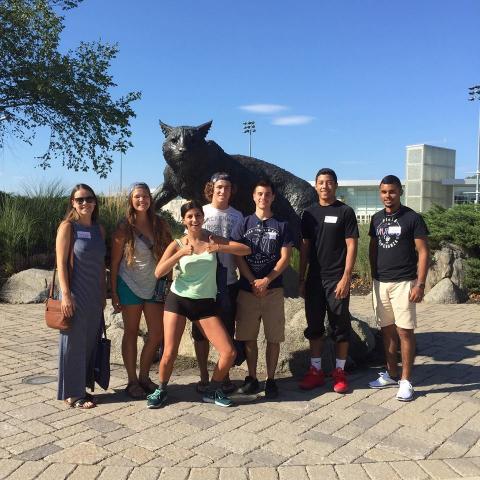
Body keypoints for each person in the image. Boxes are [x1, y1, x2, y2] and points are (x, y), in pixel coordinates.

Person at [146, 201, 251, 409]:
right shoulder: (177, 243)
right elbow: (158, 272)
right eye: (190, 217)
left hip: (205, 303)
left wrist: (219, 247)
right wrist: (181, 253)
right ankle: (162, 389)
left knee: (229, 352)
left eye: (197, 216)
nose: (194, 220)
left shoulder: (211, 238)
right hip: (179, 300)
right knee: (169, 352)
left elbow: (245, 249)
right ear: (184, 220)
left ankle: (213, 389)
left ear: (203, 217)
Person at [368, 175, 429, 402]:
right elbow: (373, 249)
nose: (388, 196)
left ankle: (405, 381)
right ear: (380, 193)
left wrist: (420, 283)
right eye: (384, 192)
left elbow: (423, 252)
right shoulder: (375, 219)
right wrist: (374, 277)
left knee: (405, 331)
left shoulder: (412, 218)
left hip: (404, 282)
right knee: (387, 330)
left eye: (392, 191)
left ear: (400, 192)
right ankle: (392, 374)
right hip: (381, 283)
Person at [231, 179, 293, 398]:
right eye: (259, 194)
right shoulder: (244, 223)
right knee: (248, 337)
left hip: (273, 290)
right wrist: (252, 281)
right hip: (248, 290)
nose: (263, 198)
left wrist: (267, 279)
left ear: (272, 197)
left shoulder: (282, 225)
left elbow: (285, 258)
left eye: (267, 194)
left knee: (273, 337)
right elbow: (238, 257)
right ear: (253, 196)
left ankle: (271, 379)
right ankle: (252, 378)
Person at [299, 168, 359, 393]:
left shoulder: (345, 212)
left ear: (336, 185)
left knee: (340, 327)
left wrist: (346, 277)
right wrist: (302, 278)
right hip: (314, 279)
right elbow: (304, 247)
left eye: (329, 182)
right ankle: (315, 371)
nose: (325, 186)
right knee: (314, 326)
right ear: (315, 186)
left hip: (337, 279)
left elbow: (352, 245)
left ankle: (339, 372)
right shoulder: (308, 214)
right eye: (321, 182)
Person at [110, 182, 172, 398]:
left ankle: (144, 376)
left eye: (145, 196)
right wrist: (114, 293)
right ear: (131, 200)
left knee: (157, 333)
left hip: (155, 286)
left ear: (150, 199)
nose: (141, 200)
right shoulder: (124, 227)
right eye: (137, 196)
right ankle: (132, 380)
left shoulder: (160, 224)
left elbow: (170, 252)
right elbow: (115, 263)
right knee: (131, 332)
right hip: (129, 285)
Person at [193, 172, 243, 394]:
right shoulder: (200, 212)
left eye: (227, 187)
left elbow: (240, 249)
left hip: (229, 280)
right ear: (211, 188)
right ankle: (204, 375)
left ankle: (224, 376)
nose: (223, 191)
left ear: (232, 191)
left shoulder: (238, 216)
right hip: (203, 281)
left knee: (227, 328)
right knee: (200, 331)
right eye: (219, 187)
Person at [56, 184, 106, 409]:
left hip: (94, 295)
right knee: (73, 343)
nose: (85, 203)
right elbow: (61, 264)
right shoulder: (68, 227)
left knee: (88, 343)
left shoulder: (99, 229)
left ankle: (81, 387)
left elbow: (100, 264)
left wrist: (104, 294)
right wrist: (66, 294)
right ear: (73, 203)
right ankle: (73, 394)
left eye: (89, 198)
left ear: (95, 202)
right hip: (74, 293)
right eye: (79, 200)